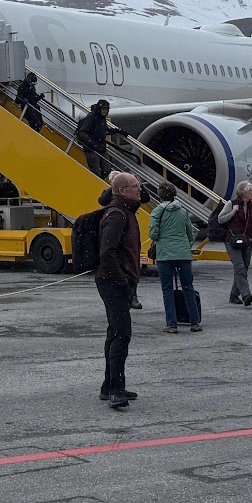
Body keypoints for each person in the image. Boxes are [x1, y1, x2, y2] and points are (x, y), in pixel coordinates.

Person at [95, 171, 144, 409]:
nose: (140, 189)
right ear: (123, 191)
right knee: (121, 334)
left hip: (117, 281)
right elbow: (107, 253)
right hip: (113, 283)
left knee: (115, 332)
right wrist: (123, 281)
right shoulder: (116, 215)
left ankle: (109, 386)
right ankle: (115, 389)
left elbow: (145, 196)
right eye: (135, 186)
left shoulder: (126, 210)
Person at [148, 181, 201, 334]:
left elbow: (153, 234)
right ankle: (195, 322)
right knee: (188, 287)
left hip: (165, 254)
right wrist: (184, 246)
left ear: (160, 195)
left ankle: (171, 324)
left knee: (167, 289)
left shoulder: (157, 212)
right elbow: (190, 233)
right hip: (183, 254)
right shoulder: (183, 212)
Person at [217, 181, 252, 306]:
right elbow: (220, 219)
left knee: (244, 268)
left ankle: (234, 295)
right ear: (242, 192)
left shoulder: (251, 206)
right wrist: (233, 212)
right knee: (239, 266)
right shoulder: (231, 203)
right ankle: (246, 294)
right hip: (232, 241)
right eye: (250, 190)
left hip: (247, 240)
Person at [75, 100, 113, 179]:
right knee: (96, 171)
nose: (105, 111)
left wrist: (117, 131)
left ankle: (99, 181)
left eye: (106, 109)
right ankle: (97, 182)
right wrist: (91, 143)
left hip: (101, 147)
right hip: (91, 148)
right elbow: (82, 132)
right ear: (99, 109)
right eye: (103, 109)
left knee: (107, 169)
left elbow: (103, 130)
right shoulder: (92, 117)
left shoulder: (102, 118)